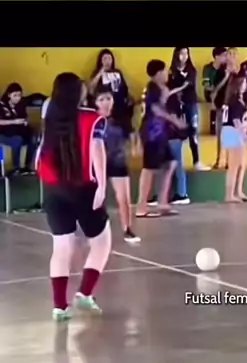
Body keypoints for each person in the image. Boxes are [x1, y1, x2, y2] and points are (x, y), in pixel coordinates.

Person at [37, 72, 111, 322]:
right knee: (101, 242)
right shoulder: (92, 119)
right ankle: (85, 293)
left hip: (54, 190)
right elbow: (97, 150)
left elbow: (41, 156)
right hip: (84, 189)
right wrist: (102, 186)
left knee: (61, 247)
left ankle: (60, 306)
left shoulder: (50, 119)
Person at [136, 59, 186, 218]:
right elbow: (155, 109)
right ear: (158, 73)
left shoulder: (160, 88)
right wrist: (174, 121)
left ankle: (163, 202)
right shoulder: (152, 88)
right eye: (164, 71)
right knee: (149, 169)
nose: (167, 73)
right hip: (152, 134)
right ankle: (141, 206)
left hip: (161, 134)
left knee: (171, 163)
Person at [94, 86, 140, 243]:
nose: (106, 102)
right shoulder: (92, 120)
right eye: (101, 99)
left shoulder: (121, 119)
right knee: (97, 198)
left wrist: (133, 147)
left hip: (118, 161)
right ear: (95, 103)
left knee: (124, 198)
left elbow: (132, 134)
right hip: (97, 163)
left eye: (108, 98)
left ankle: (127, 228)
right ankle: (96, 230)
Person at [169, 47, 210, 171]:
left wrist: (171, 92)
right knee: (176, 133)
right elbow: (169, 85)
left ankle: (196, 161)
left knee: (193, 132)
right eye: (181, 53)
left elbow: (186, 85)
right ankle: (175, 163)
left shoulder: (191, 70)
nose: (184, 56)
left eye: (186, 53)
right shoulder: (171, 71)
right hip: (176, 105)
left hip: (190, 103)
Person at [220, 73, 247, 202]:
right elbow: (236, 121)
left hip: (231, 131)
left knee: (240, 164)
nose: (245, 85)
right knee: (233, 166)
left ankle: (238, 192)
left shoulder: (234, 101)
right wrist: (244, 136)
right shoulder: (236, 102)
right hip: (233, 131)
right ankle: (229, 195)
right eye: (243, 83)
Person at [88, 48, 134, 132]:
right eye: (105, 59)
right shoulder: (97, 73)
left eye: (109, 58)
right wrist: (101, 72)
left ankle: (128, 132)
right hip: (106, 102)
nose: (107, 61)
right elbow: (91, 88)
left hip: (119, 101)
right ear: (100, 61)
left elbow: (124, 87)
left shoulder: (117, 72)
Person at [0, 83, 37, 175]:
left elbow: (24, 117)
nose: (17, 98)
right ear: (9, 95)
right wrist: (14, 121)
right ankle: (15, 167)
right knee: (18, 140)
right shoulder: (1, 105)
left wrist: (25, 121)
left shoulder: (21, 104)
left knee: (34, 138)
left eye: (19, 95)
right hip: (4, 133)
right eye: (15, 95)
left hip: (19, 130)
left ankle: (28, 166)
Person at [212, 48, 237, 169]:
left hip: (233, 107)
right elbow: (215, 88)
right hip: (221, 106)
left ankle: (229, 161)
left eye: (233, 54)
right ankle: (219, 159)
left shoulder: (238, 72)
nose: (230, 57)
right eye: (229, 54)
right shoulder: (220, 71)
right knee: (220, 133)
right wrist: (226, 77)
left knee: (230, 134)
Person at [202, 48, 226, 136]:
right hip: (210, 92)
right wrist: (214, 89)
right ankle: (212, 125)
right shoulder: (208, 68)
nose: (226, 58)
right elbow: (207, 85)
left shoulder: (225, 68)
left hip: (221, 92)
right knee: (213, 95)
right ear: (216, 57)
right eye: (224, 55)